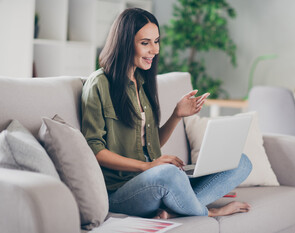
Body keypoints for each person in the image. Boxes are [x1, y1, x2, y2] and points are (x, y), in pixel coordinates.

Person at [81, 8, 252, 219]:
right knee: (169, 174)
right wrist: (148, 166)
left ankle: (176, 208)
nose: (155, 50)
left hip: (156, 178)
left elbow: (152, 144)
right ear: (125, 44)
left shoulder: (142, 83)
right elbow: (94, 149)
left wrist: (176, 115)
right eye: (145, 43)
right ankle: (207, 212)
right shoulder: (98, 84)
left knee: (240, 161)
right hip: (121, 190)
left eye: (157, 41)